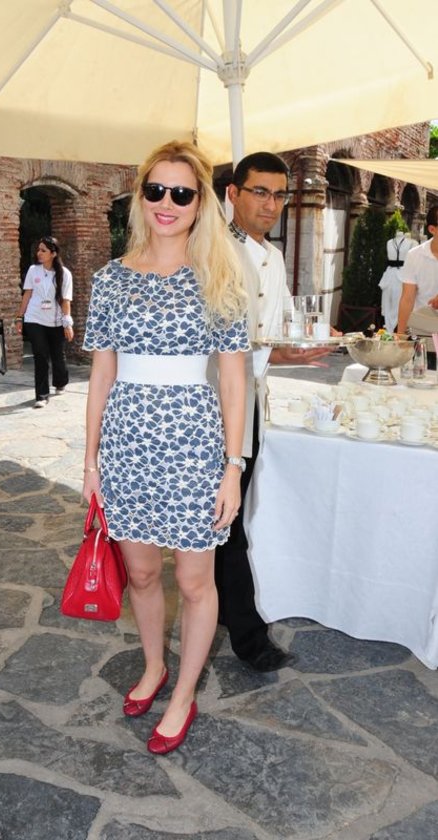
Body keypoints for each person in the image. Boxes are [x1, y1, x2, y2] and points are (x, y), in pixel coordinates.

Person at [82, 140, 248, 755]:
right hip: (127, 444)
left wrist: (232, 467)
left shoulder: (220, 278)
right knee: (143, 573)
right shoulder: (109, 280)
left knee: (196, 581)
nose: (167, 202)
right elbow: (102, 374)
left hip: (194, 446)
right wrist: (91, 461)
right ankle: (154, 666)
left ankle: (183, 694)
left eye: (182, 192)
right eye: (156, 189)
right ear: (141, 196)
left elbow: (234, 381)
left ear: (200, 202)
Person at [214, 152, 331, 673]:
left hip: (254, 400)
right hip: (214, 403)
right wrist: (276, 352)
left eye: (279, 194)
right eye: (259, 191)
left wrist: (300, 347)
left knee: (232, 514)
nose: (271, 204)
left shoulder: (275, 257)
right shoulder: (211, 250)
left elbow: (274, 334)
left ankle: (220, 603)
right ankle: (249, 637)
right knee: (227, 518)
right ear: (233, 193)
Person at [15, 236, 74, 407]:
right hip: (34, 318)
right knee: (40, 355)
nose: (39, 253)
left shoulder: (65, 274)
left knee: (58, 355)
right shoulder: (33, 270)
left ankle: (60, 382)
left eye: (43, 250)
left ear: (53, 253)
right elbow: (27, 294)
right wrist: (20, 317)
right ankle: (41, 396)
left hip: (56, 320)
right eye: (38, 250)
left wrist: (67, 323)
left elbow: (65, 300)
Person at [397, 206, 438, 370]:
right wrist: (401, 335)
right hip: (423, 331)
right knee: (422, 379)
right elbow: (407, 298)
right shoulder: (415, 255)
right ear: (432, 229)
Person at [378, 230, 416, 332]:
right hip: (390, 275)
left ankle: (397, 327)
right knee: (388, 300)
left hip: (401, 275)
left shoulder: (409, 242)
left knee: (400, 300)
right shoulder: (389, 242)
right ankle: (388, 327)